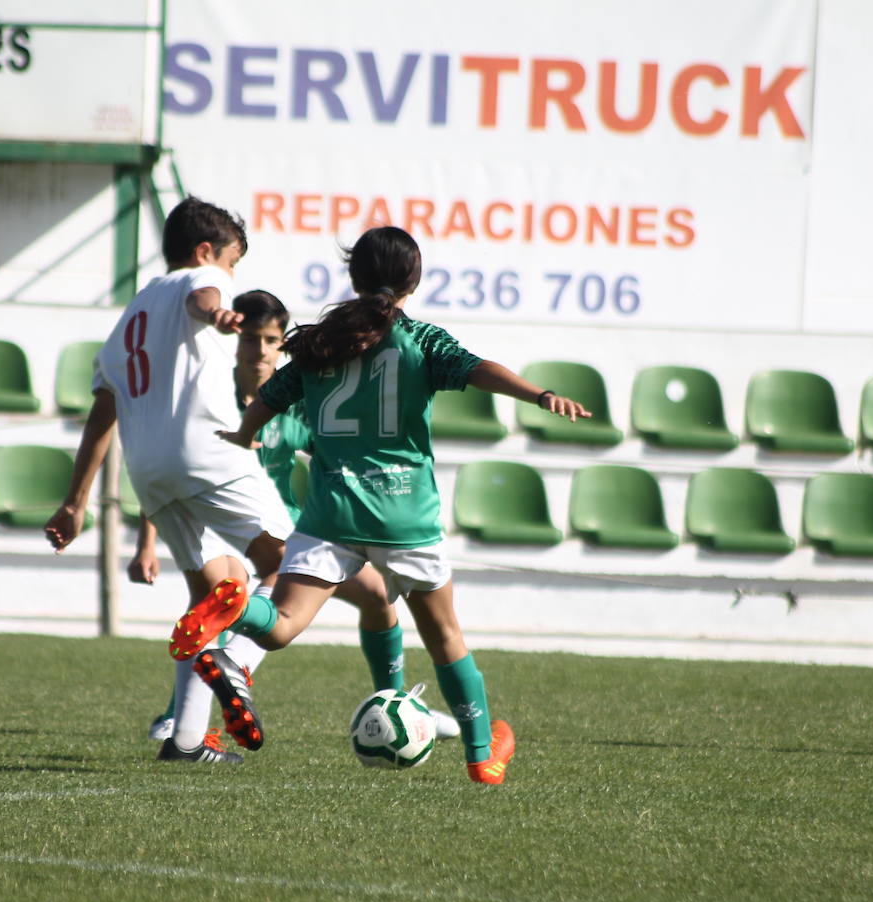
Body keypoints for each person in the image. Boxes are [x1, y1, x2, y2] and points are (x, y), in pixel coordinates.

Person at [169, 226, 591, 784]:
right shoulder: (420, 340)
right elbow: (477, 369)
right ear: (414, 280)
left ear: (354, 277)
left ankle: (239, 608)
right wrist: (538, 394)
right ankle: (481, 754)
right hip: (403, 516)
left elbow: (271, 396)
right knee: (445, 637)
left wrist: (246, 433)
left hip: (331, 514)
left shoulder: (323, 342)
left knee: (283, 624)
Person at [138, 289, 458, 742]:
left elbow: (342, 448)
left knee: (378, 597)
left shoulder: (299, 399)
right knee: (222, 595)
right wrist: (147, 542)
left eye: (271, 340)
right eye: (250, 338)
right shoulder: (208, 400)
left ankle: (396, 707)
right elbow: (169, 472)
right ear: (233, 341)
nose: (261, 350)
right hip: (225, 533)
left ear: (282, 344)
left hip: (287, 531)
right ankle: (182, 714)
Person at [44, 196, 292, 764]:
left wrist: (75, 502)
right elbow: (204, 296)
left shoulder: (130, 316)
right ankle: (237, 665)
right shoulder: (205, 281)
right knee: (291, 566)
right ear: (206, 252)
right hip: (206, 450)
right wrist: (218, 314)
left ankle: (185, 740)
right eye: (232, 262)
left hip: (148, 470)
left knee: (212, 591)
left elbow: (102, 412)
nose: (231, 275)